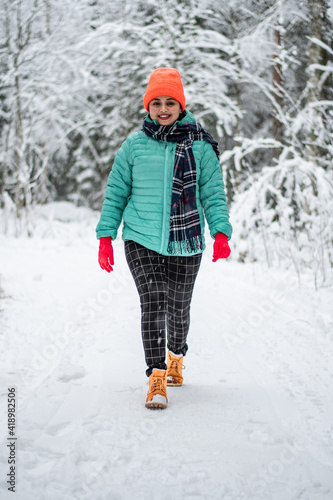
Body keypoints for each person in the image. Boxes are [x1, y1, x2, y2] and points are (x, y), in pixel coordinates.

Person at [96, 68, 232, 409]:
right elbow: (116, 192)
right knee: (154, 299)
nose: (163, 108)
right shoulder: (134, 145)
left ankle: (176, 355)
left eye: (170, 101)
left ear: (181, 104)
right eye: (156, 102)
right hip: (140, 237)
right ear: (148, 105)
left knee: (178, 307)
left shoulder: (200, 146)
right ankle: (156, 376)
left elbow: (213, 194)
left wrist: (220, 232)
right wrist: (105, 235)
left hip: (186, 241)